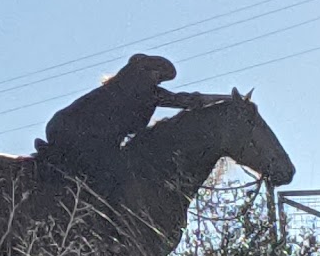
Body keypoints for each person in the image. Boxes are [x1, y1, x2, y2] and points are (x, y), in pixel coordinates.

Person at [38, 53, 220, 188]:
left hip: (64, 128)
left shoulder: (119, 86)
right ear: (145, 71)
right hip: (79, 134)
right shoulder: (142, 90)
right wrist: (225, 99)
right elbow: (186, 100)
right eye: (158, 75)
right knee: (113, 173)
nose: (159, 81)